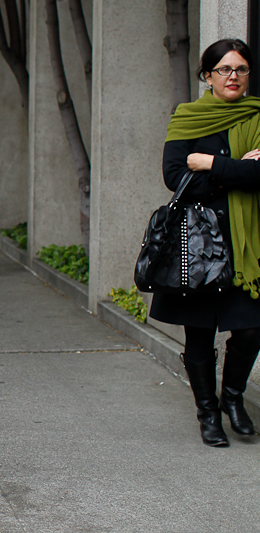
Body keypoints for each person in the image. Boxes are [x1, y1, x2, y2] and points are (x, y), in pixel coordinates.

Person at [151, 38, 260, 447]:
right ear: (207, 76)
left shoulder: (258, 116)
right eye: (224, 69)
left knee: (251, 329)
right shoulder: (188, 118)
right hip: (199, 243)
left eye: (241, 69)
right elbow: (175, 176)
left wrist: (211, 164)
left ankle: (232, 398)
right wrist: (237, 171)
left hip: (249, 245)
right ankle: (208, 412)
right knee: (199, 332)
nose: (233, 76)